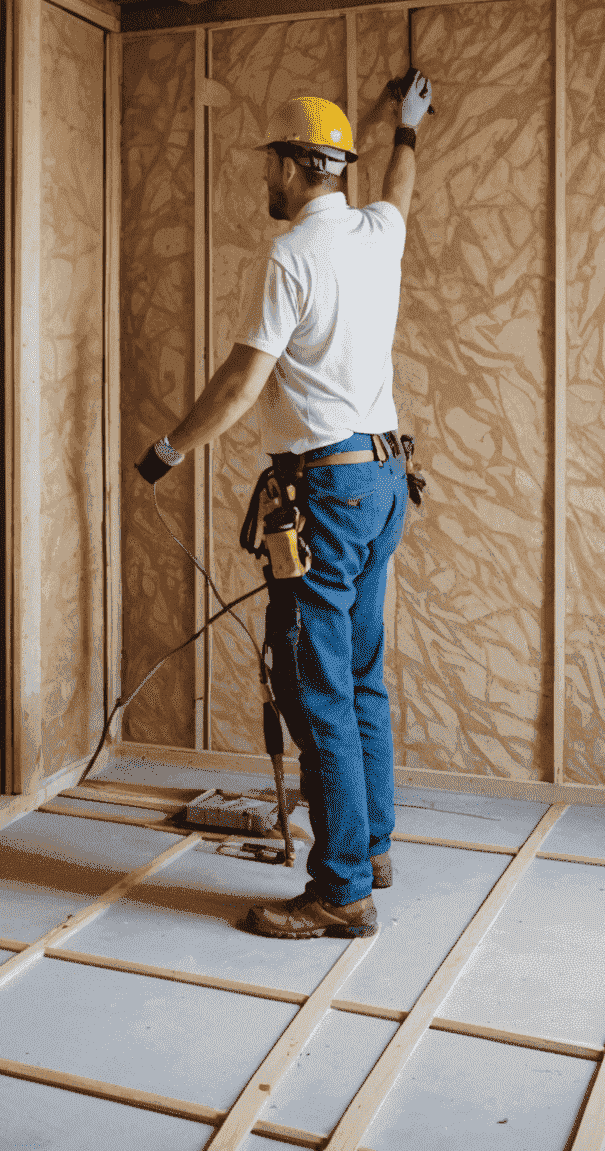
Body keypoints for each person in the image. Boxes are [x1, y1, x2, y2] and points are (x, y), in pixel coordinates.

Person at [134, 71, 433, 940]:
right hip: (382, 483)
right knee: (361, 675)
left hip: (330, 494)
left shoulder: (292, 256)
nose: (266, 180)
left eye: (273, 165)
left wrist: (167, 451)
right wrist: (405, 128)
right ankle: (369, 843)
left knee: (316, 692)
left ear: (304, 167)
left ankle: (341, 889)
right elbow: (399, 188)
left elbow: (238, 384)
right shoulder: (378, 231)